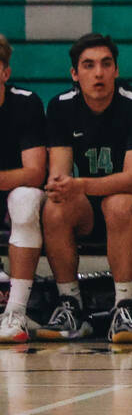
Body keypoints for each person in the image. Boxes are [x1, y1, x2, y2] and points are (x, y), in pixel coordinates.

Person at [37, 33, 132, 343]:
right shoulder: (60, 107)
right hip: (92, 201)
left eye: (106, 64)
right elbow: (60, 175)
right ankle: (71, 305)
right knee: (55, 206)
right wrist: (60, 186)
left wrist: (78, 184)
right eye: (89, 65)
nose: (98, 73)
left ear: (116, 71)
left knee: (118, 203)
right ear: (74, 74)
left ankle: (124, 307)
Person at [0, 34, 49, 342]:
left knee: (26, 199)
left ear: (5, 72)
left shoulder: (25, 103)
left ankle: (15, 312)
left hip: (14, 192)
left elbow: (34, 173)